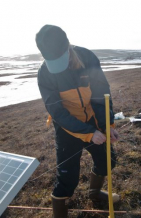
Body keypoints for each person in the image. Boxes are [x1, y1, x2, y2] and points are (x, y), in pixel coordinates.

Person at [35, 25, 119, 218]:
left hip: (91, 120)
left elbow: (101, 95)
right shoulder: (44, 74)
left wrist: (107, 126)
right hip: (67, 129)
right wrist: (88, 133)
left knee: (108, 160)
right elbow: (57, 112)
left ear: (68, 48)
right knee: (67, 178)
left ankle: (95, 194)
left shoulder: (87, 58)